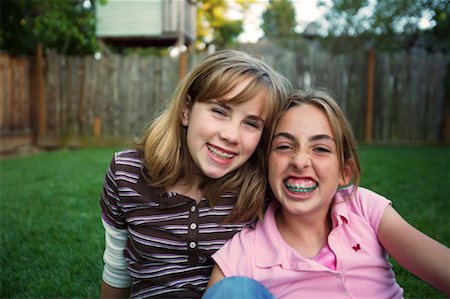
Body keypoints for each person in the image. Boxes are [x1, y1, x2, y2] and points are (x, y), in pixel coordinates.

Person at [206, 89, 450, 298]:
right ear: (266, 164)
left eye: (320, 148)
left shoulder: (363, 208)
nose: (300, 161)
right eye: (284, 146)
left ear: (344, 172)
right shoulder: (245, 251)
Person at [99, 49, 292, 298]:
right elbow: (117, 268)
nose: (231, 136)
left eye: (251, 123)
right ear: (186, 110)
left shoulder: (261, 189)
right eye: (220, 111)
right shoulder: (127, 174)